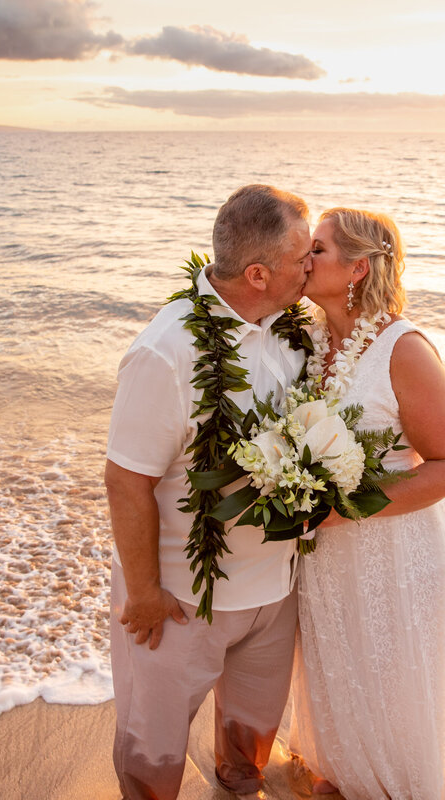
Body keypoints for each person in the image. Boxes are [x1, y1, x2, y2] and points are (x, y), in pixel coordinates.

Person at [105, 184, 313, 799]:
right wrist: (143, 591)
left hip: (275, 590)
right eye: (302, 257)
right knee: (156, 746)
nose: (312, 265)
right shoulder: (165, 352)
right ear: (257, 273)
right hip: (184, 598)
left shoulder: (287, 328)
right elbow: (125, 480)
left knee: (249, 739)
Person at [290, 207, 445, 798]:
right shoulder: (307, 340)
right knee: (341, 670)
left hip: (397, 548)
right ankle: (349, 772)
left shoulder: (401, 350)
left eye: (319, 250)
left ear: (357, 268)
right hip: (328, 550)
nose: (305, 259)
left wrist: (345, 508)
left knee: (395, 680)